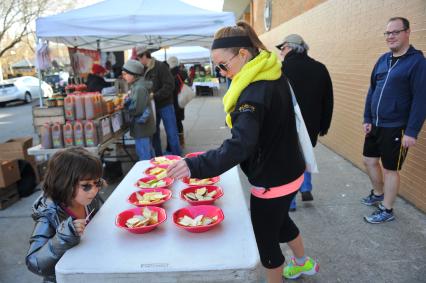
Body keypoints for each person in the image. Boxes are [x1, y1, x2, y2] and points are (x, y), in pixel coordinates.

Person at [167, 21, 318, 283]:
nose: (221, 72)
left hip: (273, 178)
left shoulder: (252, 93)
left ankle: (285, 273)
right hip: (290, 169)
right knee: (281, 222)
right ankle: (304, 263)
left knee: (267, 244)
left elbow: (241, 145)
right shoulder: (272, 70)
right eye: (217, 67)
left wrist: (195, 166)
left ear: (244, 54)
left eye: (223, 65)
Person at [362, 17, 426, 224]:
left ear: (407, 32)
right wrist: (367, 117)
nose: (390, 36)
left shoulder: (417, 62)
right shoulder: (383, 60)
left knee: (390, 169)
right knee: (369, 161)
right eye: (387, 33)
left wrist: (411, 131)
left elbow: (421, 99)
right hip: (376, 124)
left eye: (395, 32)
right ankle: (379, 193)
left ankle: (387, 209)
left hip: (396, 127)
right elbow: (372, 90)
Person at [26, 147, 104, 283]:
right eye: (86, 185)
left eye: (97, 183)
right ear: (64, 183)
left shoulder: (88, 199)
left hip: (91, 268)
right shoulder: (48, 215)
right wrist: (62, 239)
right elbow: (34, 263)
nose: (94, 191)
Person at [276, 34, 334, 211]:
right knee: (305, 152)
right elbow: (328, 100)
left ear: (291, 47)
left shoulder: (281, 69)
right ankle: (306, 186)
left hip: (287, 124)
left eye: (282, 48)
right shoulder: (320, 68)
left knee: (289, 160)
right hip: (312, 124)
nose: (280, 53)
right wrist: (324, 125)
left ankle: (291, 201)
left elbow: (276, 100)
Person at [135, 45, 181, 157]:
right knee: (154, 134)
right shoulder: (142, 70)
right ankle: (159, 159)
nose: (139, 61)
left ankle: (178, 158)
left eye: (140, 58)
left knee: (172, 133)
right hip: (152, 107)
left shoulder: (161, 66)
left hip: (165, 105)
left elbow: (170, 86)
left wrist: (154, 96)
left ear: (145, 55)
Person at [122, 59, 156, 160]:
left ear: (133, 74)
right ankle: (154, 172)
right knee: (148, 153)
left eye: (126, 74)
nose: (124, 76)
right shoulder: (137, 86)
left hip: (142, 127)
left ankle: (147, 173)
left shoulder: (139, 88)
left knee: (144, 156)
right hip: (144, 126)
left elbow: (137, 110)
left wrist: (125, 105)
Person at [167, 56, 186, 148]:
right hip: (181, 100)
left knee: (174, 122)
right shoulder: (182, 72)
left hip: (174, 101)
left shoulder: (171, 74)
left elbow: (171, 89)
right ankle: (181, 141)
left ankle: (178, 143)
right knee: (179, 121)